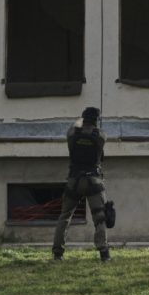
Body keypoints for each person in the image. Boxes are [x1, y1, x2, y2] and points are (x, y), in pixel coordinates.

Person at [52, 107, 111, 262]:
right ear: (96, 120)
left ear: (83, 118)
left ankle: (58, 253)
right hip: (93, 181)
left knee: (65, 216)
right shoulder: (101, 135)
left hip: (74, 180)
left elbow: (74, 127)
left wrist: (80, 120)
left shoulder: (72, 134)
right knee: (100, 217)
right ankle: (104, 253)